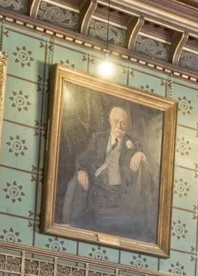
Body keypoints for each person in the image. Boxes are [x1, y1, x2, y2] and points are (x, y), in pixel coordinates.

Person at [64, 102, 154, 241]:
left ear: (127, 125)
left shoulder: (132, 142)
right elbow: (83, 158)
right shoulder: (98, 138)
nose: (119, 126)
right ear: (110, 121)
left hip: (120, 191)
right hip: (97, 188)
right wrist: (81, 171)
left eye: (123, 123)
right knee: (83, 219)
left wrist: (140, 154)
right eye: (116, 121)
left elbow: (144, 155)